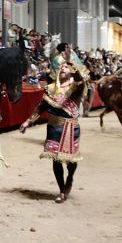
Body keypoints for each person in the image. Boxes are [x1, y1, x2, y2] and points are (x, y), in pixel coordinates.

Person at [19, 61, 85, 203]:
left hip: (70, 128)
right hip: (53, 128)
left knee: (70, 161)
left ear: (72, 71)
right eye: (61, 67)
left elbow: (81, 80)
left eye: (66, 67)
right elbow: (41, 107)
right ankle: (62, 190)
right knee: (55, 160)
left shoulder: (76, 87)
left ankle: (70, 178)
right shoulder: (50, 88)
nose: (63, 68)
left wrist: (74, 66)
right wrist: (28, 121)